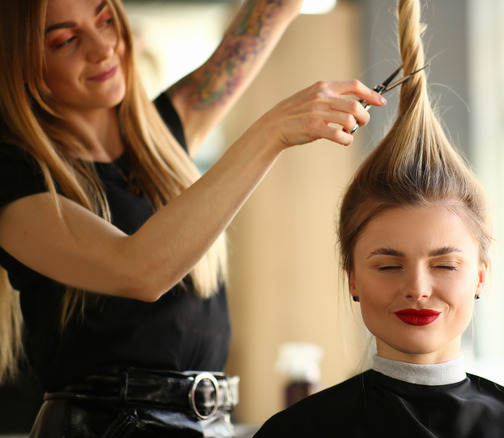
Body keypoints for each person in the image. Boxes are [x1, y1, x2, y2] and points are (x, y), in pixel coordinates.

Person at [0, 0, 386, 435]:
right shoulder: (16, 181)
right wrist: (269, 133)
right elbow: (139, 270)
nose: (102, 47)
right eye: (67, 40)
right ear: (24, 64)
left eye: (106, 19)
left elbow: (273, 9)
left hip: (212, 423)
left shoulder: (163, 135)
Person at [253, 0, 504, 437]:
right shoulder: (295, 434)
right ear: (352, 278)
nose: (417, 288)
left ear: (482, 276)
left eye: (445, 264)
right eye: (388, 265)